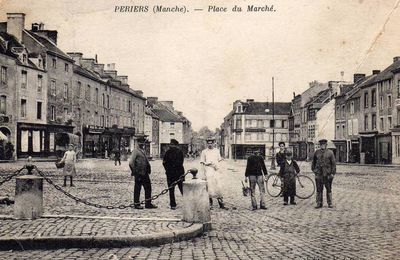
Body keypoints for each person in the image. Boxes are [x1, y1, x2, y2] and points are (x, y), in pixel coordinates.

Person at [129, 143, 157, 209]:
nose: (142, 144)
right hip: (139, 173)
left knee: (148, 188)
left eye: (143, 142)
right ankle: (136, 204)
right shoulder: (135, 151)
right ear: (137, 143)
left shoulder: (142, 151)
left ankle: (148, 204)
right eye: (140, 142)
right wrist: (134, 171)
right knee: (137, 189)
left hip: (145, 173)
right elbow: (131, 162)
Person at [200, 138, 227, 209]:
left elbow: (220, 160)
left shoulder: (216, 151)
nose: (210, 144)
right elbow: (202, 163)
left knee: (218, 186)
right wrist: (203, 173)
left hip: (216, 171)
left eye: (211, 143)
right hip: (208, 170)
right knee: (209, 187)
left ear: (213, 143)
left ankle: (221, 203)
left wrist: (219, 168)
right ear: (207, 144)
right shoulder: (204, 152)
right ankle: (210, 203)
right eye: (208, 143)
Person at [312, 139, 336, 208]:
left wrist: (332, 174)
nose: (322, 146)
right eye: (321, 145)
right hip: (319, 174)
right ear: (320, 145)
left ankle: (330, 203)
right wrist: (315, 171)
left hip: (327, 174)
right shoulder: (317, 152)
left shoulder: (330, 153)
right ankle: (319, 203)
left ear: (326, 145)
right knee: (319, 189)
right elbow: (313, 163)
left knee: (328, 188)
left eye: (324, 144)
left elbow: (333, 164)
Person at [163, 139, 185, 210]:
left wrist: (168, 169)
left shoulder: (168, 152)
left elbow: (164, 163)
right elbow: (181, 163)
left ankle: (173, 204)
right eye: (171, 144)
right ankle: (174, 204)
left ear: (175, 145)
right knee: (179, 189)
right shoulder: (179, 152)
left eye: (172, 144)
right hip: (178, 173)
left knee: (178, 189)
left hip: (172, 174)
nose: (171, 146)